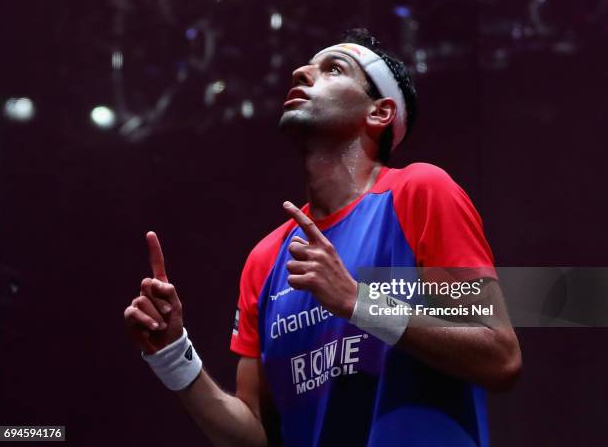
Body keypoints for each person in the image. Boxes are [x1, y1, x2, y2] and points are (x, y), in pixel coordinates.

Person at [124, 28, 521, 447]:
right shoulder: (266, 259)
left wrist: (358, 303)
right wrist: (173, 356)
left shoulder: (421, 192)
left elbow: (500, 356)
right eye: (307, 67)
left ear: (380, 113)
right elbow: (255, 437)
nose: (300, 72)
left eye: (333, 69)